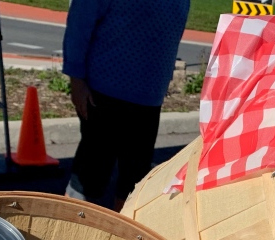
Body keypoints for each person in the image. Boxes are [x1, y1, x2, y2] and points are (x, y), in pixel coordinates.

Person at [62, 0, 191, 210]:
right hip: (104, 92)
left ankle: (122, 237)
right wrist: (76, 79)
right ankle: (69, 231)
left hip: (148, 98)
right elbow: (80, 22)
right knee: (91, 175)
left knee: (135, 181)